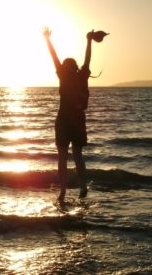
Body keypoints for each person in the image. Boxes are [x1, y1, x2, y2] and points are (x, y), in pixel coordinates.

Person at [43, 27, 96, 203]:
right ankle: (78, 188)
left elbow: (54, 57)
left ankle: (66, 191)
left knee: (64, 157)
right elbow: (85, 58)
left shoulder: (68, 76)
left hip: (67, 121)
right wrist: (88, 41)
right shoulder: (79, 76)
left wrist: (48, 39)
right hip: (72, 121)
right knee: (75, 155)